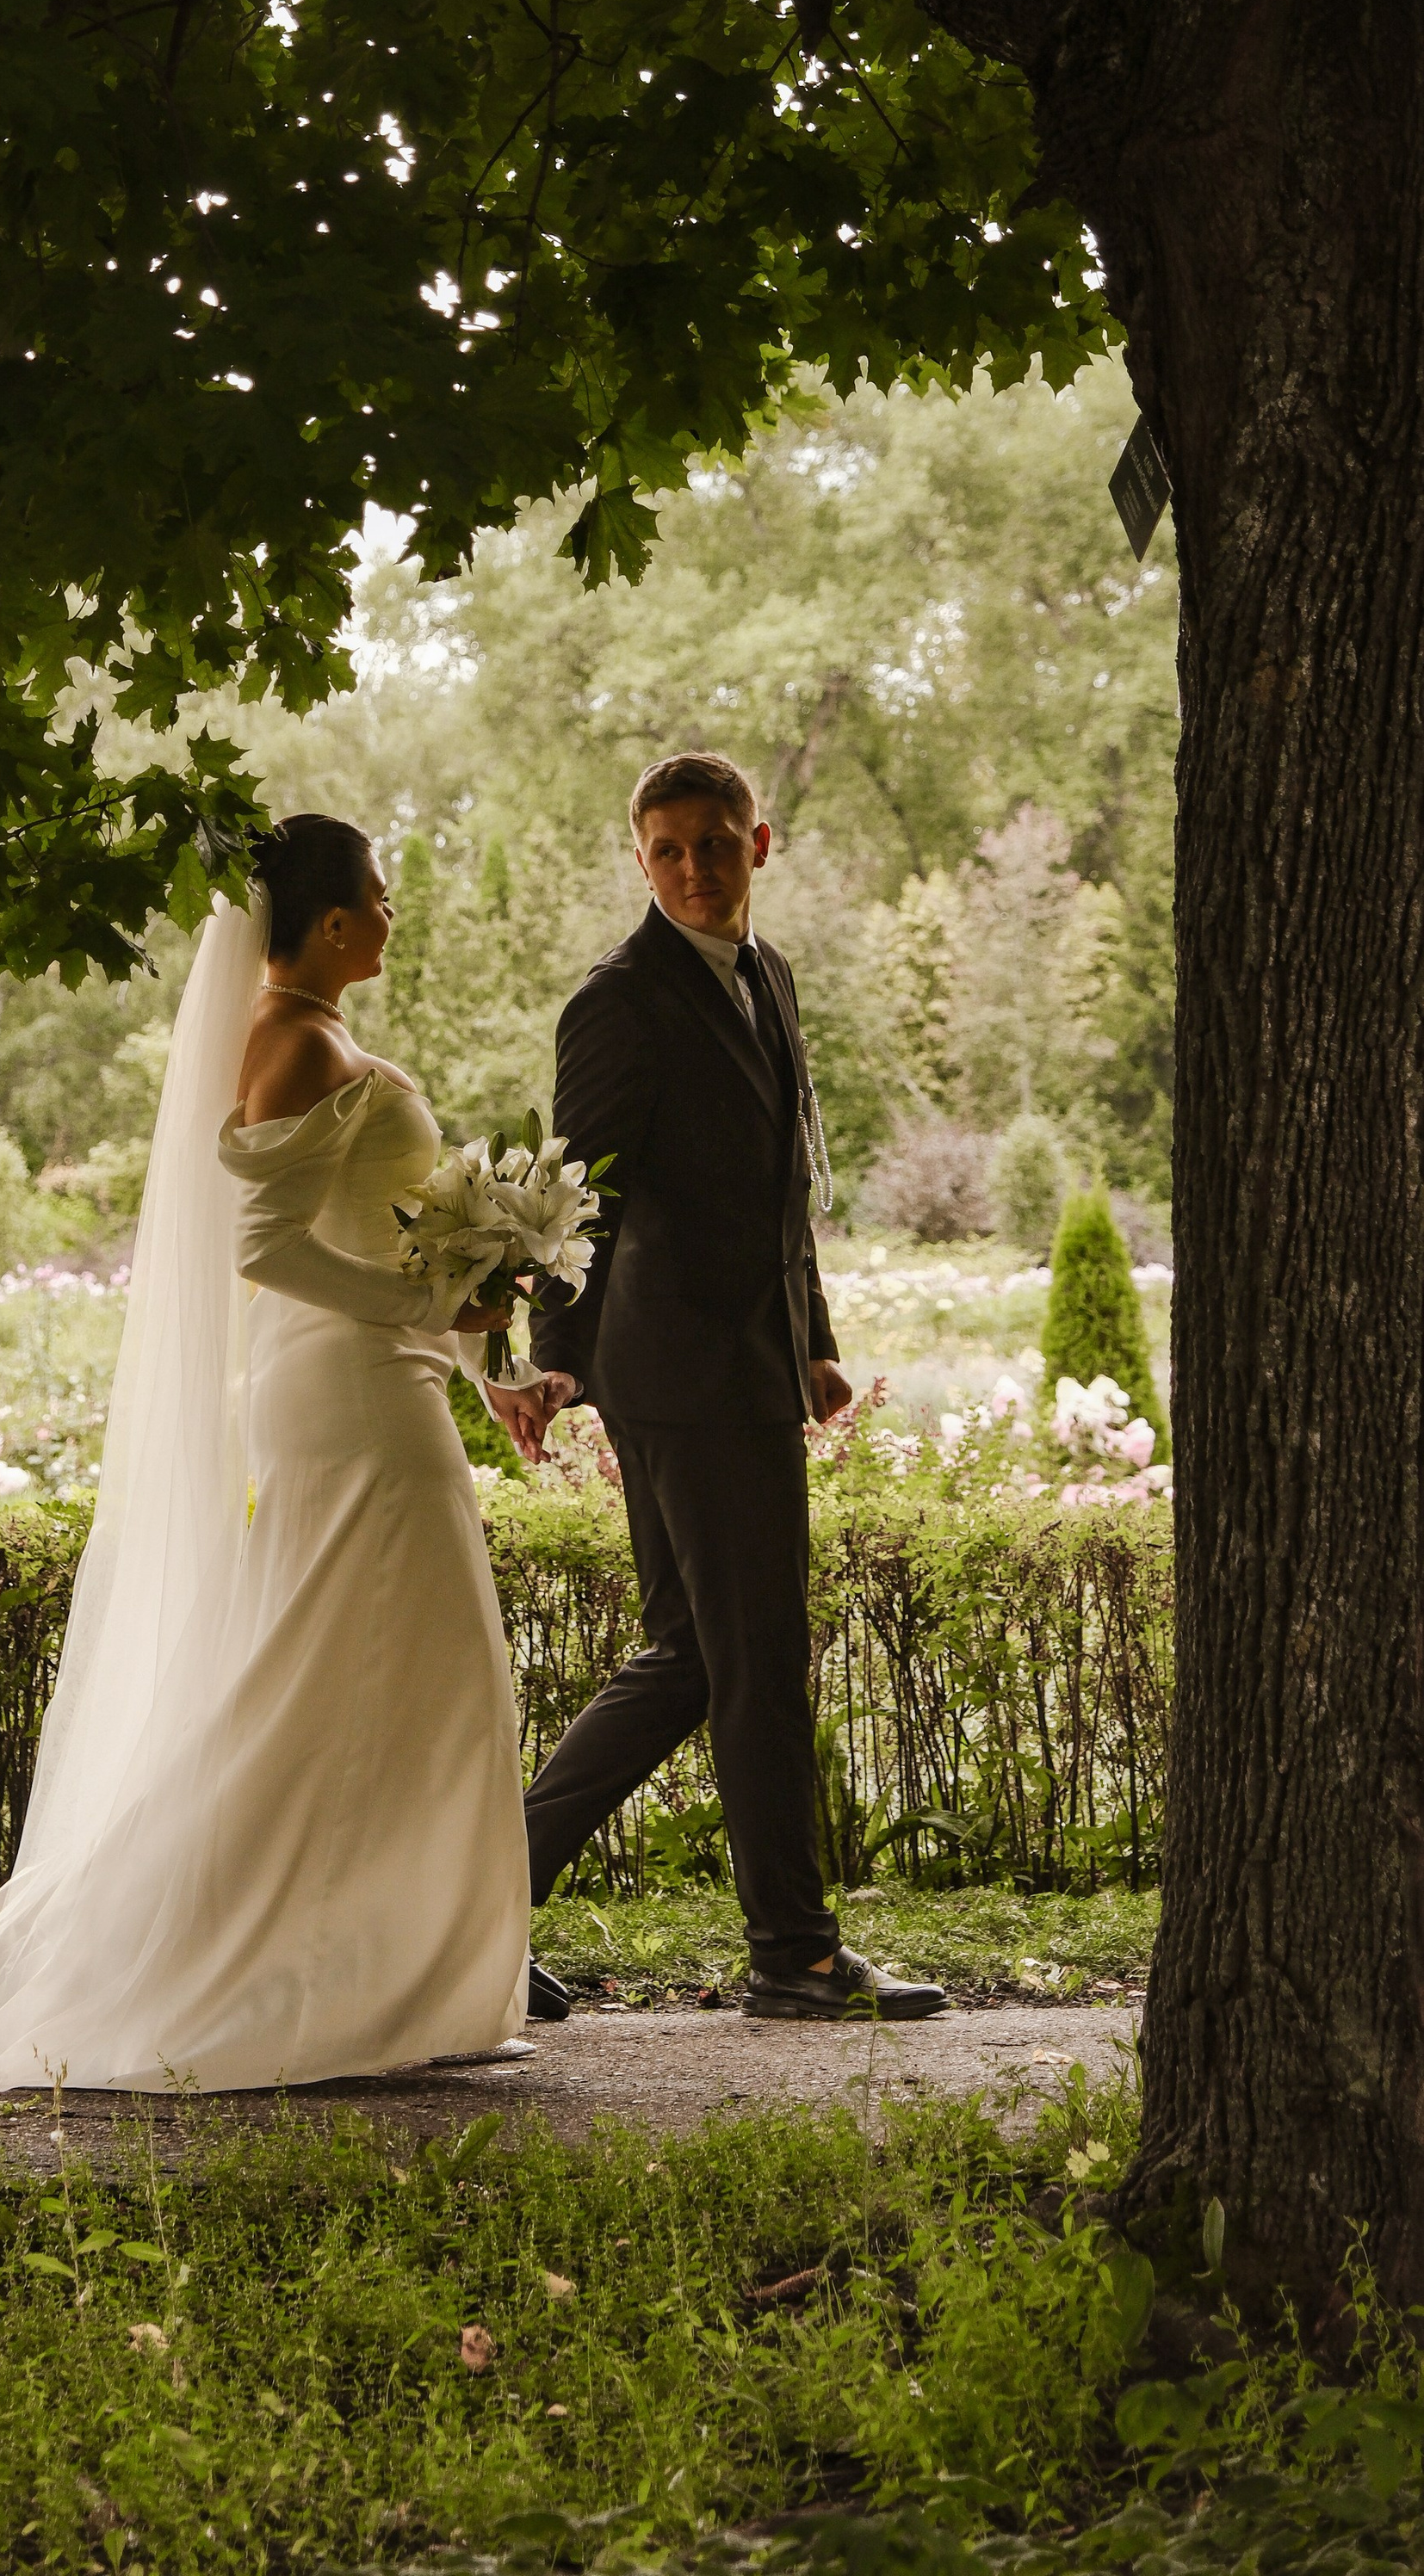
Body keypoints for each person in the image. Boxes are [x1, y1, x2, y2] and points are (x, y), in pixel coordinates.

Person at [0, 814, 531, 2093]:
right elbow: (267, 1251)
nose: (391, 915)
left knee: (386, 1686)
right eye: (380, 897)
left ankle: (371, 1976)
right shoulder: (296, 1041)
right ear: (331, 923)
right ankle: (261, 1973)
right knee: (350, 1687)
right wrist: (427, 1308)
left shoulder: (312, 1034)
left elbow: (390, 1246)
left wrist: (486, 1364)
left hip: (379, 1383)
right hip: (351, 1400)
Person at [490, 751, 947, 2024]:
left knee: (695, 1656)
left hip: (749, 1362)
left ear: (761, 841)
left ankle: (474, 1907)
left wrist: (813, 1338)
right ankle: (794, 1954)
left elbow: (781, 1182)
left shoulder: (767, 974)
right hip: (678, 1372)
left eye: (715, 842)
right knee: (756, 1661)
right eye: (668, 850)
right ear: (640, 860)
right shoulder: (619, 1000)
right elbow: (580, 1189)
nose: (694, 868)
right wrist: (554, 1355)